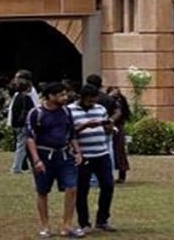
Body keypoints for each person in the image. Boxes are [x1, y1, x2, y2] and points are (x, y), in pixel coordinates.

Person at [25, 82, 83, 239]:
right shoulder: (36, 113)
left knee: (71, 188)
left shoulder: (66, 111)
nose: (64, 98)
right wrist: (36, 160)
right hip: (44, 156)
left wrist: (77, 152)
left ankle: (67, 225)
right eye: (60, 95)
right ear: (50, 96)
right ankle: (45, 226)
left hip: (64, 155)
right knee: (43, 191)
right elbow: (30, 138)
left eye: (65, 94)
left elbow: (71, 133)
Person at [69, 84, 117, 234]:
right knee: (82, 189)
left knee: (108, 185)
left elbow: (107, 130)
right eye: (89, 101)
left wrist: (108, 126)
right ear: (82, 98)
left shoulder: (100, 109)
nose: (92, 103)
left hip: (101, 154)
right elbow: (68, 132)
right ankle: (84, 222)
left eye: (94, 100)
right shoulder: (70, 111)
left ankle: (102, 220)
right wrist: (84, 126)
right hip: (83, 155)